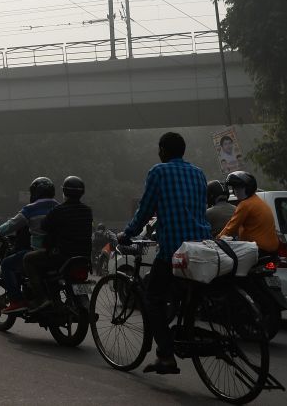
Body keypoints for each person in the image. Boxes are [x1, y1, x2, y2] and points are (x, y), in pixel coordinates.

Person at [119, 131, 211, 376]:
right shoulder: (199, 173)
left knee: (152, 298)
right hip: (201, 246)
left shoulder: (158, 172)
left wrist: (127, 234)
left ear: (163, 150)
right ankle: (187, 334)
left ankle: (166, 355)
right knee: (189, 297)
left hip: (173, 248)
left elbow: (145, 210)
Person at [0, 177, 59, 314]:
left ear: (35, 193)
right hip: (58, 253)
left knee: (7, 265)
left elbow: (12, 224)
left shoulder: (31, 209)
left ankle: (17, 300)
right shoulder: (59, 207)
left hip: (37, 252)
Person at [23, 176, 93, 311]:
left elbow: (44, 226)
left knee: (28, 259)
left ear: (64, 192)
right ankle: (83, 301)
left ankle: (41, 298)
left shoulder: (58, 210)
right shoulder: (87, 210)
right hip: (84, 258)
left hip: (61, 256)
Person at [219, 171, 278, 253]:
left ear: (247, 188)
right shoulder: (256, 199)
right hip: (270, 248)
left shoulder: (245, 204)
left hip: (258, 249)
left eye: (237, 187)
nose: (234, 191)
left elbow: (231, 227)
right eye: (234, 188)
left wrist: (217, 240)